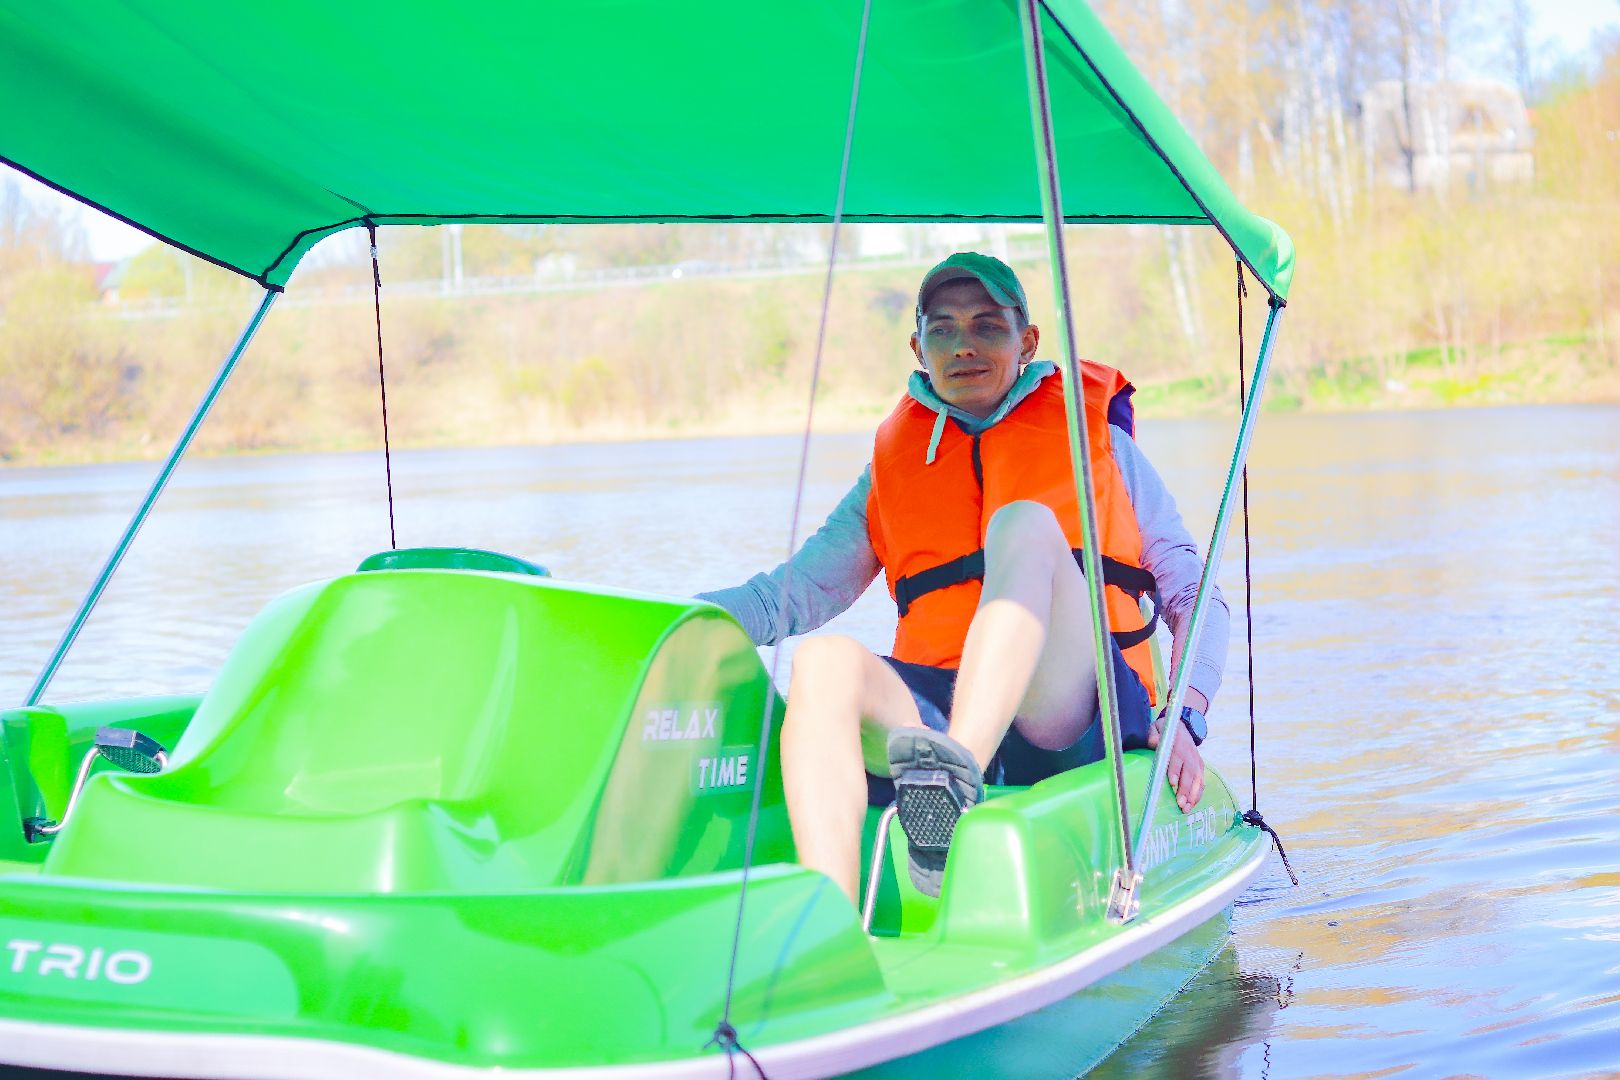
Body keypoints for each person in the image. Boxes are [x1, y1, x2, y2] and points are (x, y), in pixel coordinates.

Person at [698, 252, 1226, 905]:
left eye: (987, 326)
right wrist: (676, 619)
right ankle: (828, 922)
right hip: (946, 704)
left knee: (1024, 525)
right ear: (918, 347)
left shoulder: (1092, 435)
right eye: (943, 329)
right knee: (823, 663)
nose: (963, 346)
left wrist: (1186, 715)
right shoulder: (895, 462)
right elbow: (793, 596)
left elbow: (1190, 589)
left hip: (1068, 708)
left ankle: (955, 781)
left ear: (1026, 341)